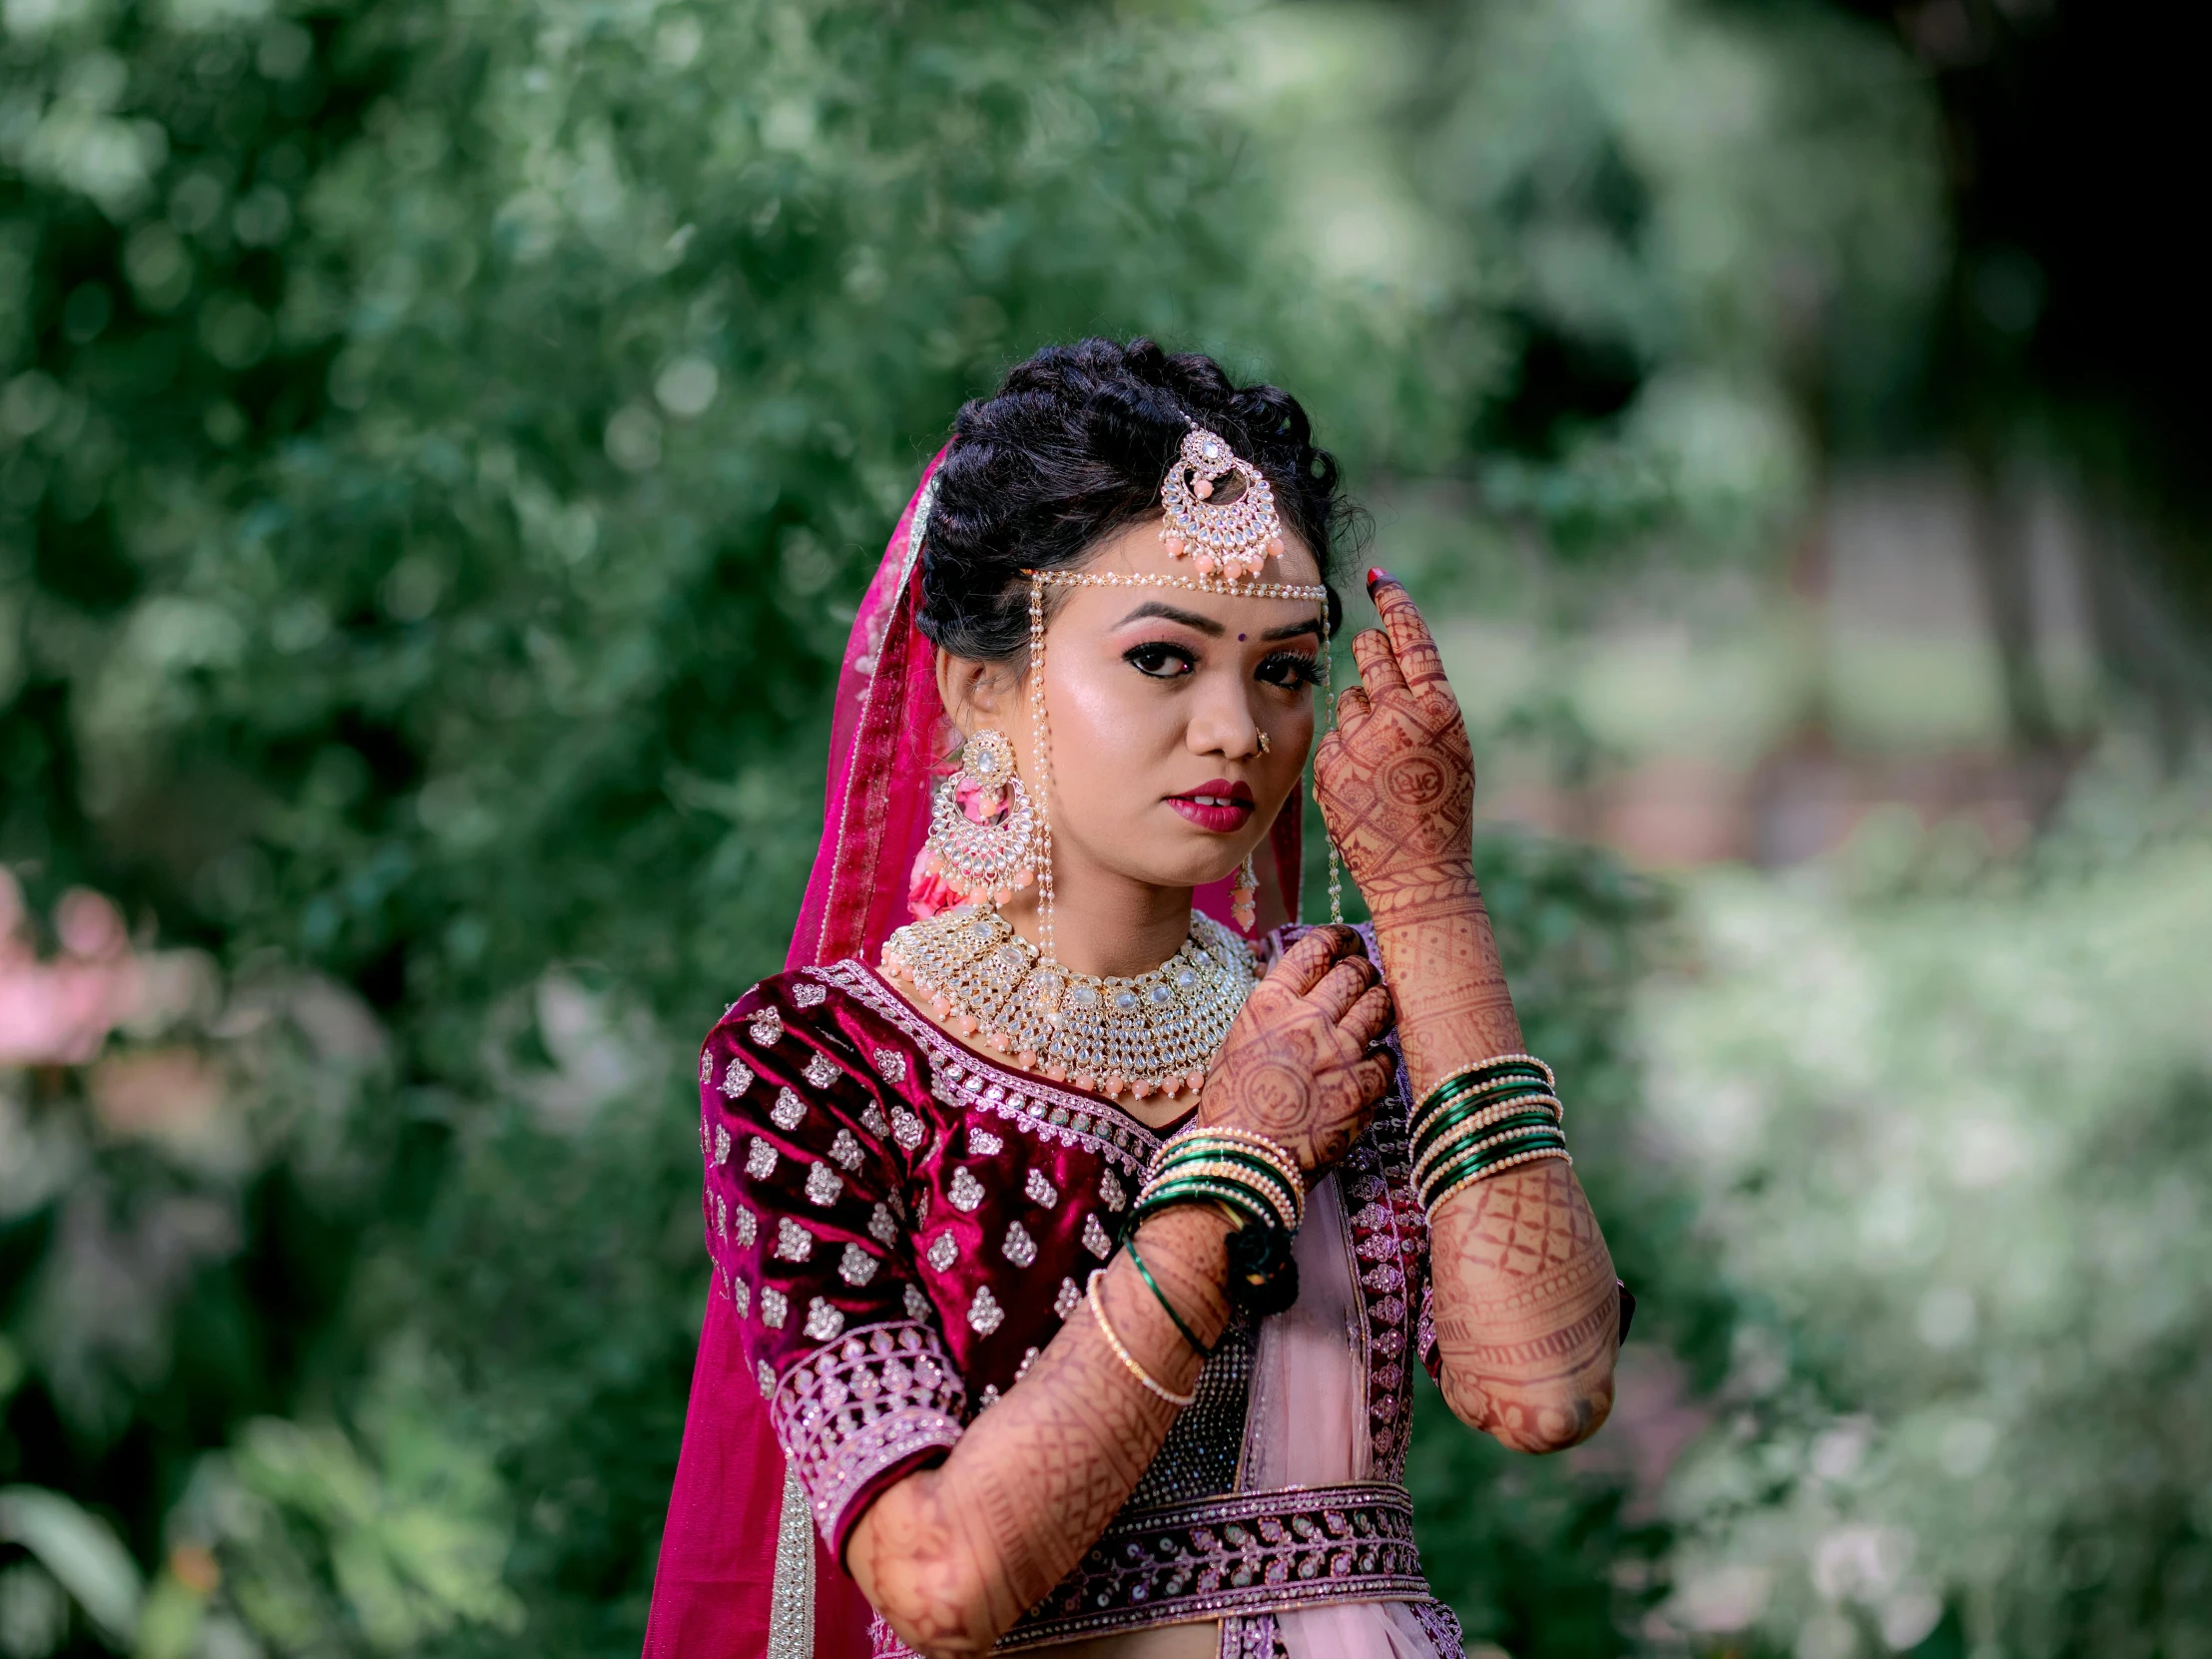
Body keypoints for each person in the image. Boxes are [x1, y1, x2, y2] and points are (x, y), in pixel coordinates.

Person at [643, 340, 1623, 1659]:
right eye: (1166, 658)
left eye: (1282, 668)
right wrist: (1237, 1166)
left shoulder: (1343, 1012)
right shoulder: (821, 1069)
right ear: (981, 684)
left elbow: (1548, 1385)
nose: (1238, 727)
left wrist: (1431, 896)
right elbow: (938, 1575)